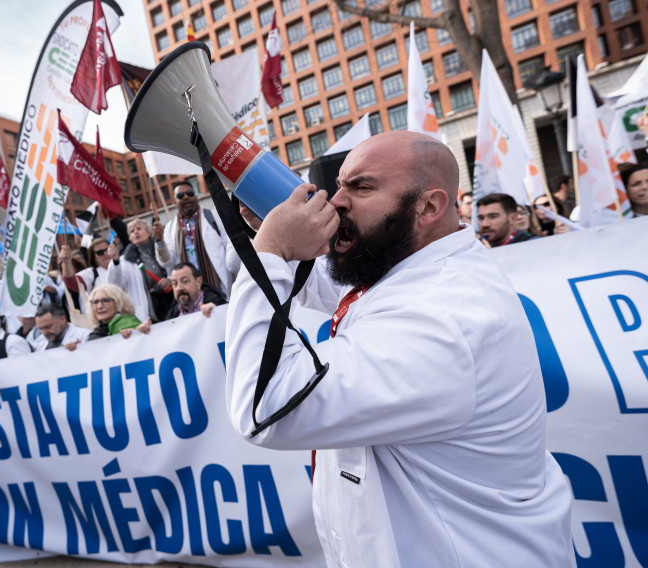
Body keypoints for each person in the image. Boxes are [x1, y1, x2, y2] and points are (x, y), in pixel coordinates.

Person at [225, 131, 573, 567]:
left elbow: (267, 407)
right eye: (341, 185)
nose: (336, 201)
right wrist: (287, 239)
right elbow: (333, 286)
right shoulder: (416, 269)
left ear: (429, 206)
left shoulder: (443, 317)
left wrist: (272, 253)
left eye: (362, 186)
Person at [153, 182, 239, 297]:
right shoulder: (170, 227)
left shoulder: (214, 217)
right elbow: (167, 262)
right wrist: (160, 241)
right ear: (175, 203)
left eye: (190, 193)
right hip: (189, 291)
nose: (186, 197)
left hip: (218, 286)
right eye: (180, 195)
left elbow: (229, 250)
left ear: (195, 197)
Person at [106, 219, 174, 322]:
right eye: (132, 231)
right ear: (130, 238)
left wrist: (170, 279)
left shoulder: (162, 247)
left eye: (139, 228)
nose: (136, 232)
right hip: (151, 310)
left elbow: (174, 265)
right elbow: (115, 285)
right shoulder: (125, 261)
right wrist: (115, 262)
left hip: (173, 300)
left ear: (149, 232)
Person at [59, 238, 113, 311]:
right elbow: (72, 282)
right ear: (94, 258)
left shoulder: (123, 265)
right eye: (100, 252)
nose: (105, 254)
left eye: (107, 250)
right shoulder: (92, 273)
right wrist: (66, 262)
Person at [86, 283, 151, 341]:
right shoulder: (97, 333)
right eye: (95, 302)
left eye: (105, 300)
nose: (99, 306)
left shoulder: (129, 324)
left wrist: (137, 333)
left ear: (118, 302)